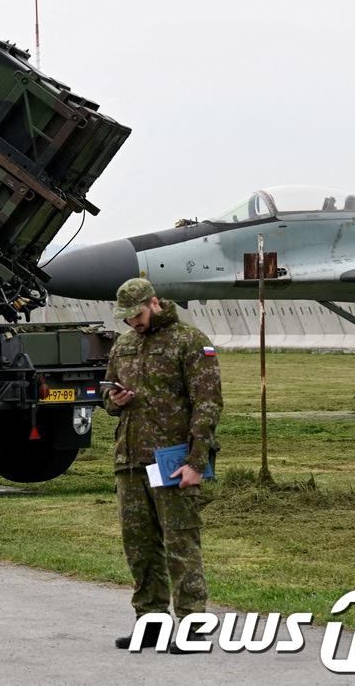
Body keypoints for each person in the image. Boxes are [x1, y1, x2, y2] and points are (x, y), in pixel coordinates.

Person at [104, 277, 222, 650]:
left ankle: (192, 624)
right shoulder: (123, 345)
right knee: (139, 547)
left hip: (172, 460)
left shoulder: (189, 341)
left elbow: (207, 403)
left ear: (154, 303)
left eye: (136, 315)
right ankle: (150, 622)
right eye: (126, 318)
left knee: (180, 542)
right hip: (130, 460)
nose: (132, 323)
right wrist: (115, 401)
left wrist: (196, 461)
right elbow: (107, 393)